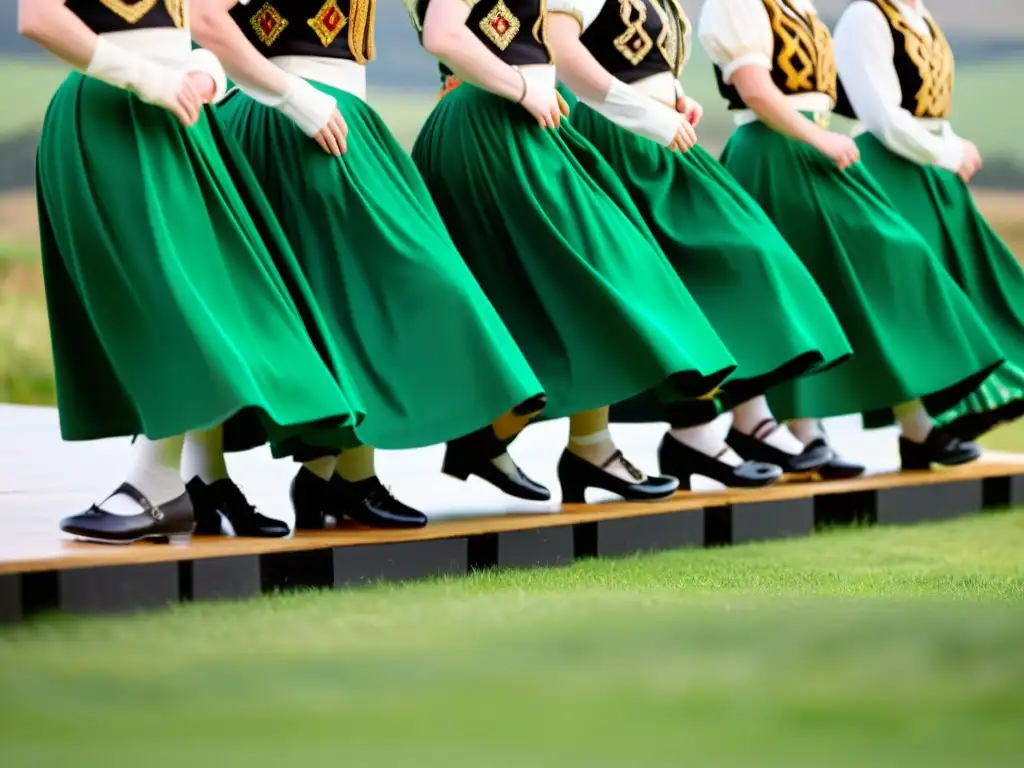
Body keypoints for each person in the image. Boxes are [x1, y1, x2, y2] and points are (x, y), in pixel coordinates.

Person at [20, 0, 370, 544]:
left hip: (177, 115)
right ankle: (157, 485)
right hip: (113, 111)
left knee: (215, 297)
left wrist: (203, 64)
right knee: (175, 299)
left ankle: (196, 482)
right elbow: (38, 18)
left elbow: (202, 15)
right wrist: (145, 77)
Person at [190, 1, 548, 529]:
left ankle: (334, 475)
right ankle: (244, 475)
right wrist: (292, 97)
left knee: (352, 297)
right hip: (292, 117)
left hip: (334, 115)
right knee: (359, 290)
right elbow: (204, 19)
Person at [405, 0, 740, 503]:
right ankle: (510, 437)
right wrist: (523, 88)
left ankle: (573, 445)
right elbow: (444, 37)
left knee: (600, 275)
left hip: (531, 119)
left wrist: (663, 97)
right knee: (595, 273)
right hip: (490, 120)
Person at [543, 0, 862, 489]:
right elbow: (564, 54)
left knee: (743, 257)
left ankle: (717, 426)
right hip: (616, 139)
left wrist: (675, 94)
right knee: (655, 285)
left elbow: (645, 59)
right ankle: (667, 436)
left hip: (660, 135)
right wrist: (647, 113)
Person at [697, 0, 1004, 471]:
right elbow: (756, 90)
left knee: (879, 265)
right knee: (794, 290)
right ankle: (788, 425)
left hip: (809, 151)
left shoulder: (800, 6)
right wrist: (818, 138)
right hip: (774, 152)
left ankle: (903, 420)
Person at [833, 0, 1024, 442]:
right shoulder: (867, 16)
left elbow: (931, 109)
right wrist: (947, 152)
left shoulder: (921, 17)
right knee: (913, 298)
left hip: (930, 168)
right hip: (889, 168)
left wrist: (951, 144)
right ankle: (918, 425)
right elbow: (881, 115)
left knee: (973, 284)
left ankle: (969, 405)